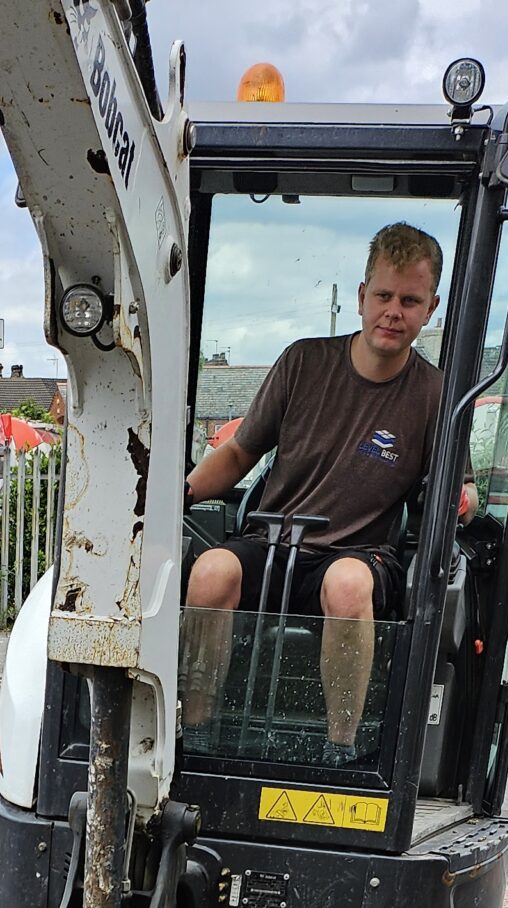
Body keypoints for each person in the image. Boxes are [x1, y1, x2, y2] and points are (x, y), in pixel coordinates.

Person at [182, 221, 446, 755]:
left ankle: (339, 747)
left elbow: (453, 491)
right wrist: (178, 493)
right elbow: (237, 453)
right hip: (271, 544)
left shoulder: (435, 394)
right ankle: (196, 733)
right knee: (210, 571)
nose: (394, 311)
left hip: (356, 553)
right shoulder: (303, 362)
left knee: (349, 587)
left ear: (430, 308)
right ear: (361, 297)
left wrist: (461, 501)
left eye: (410, 300)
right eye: (384, 296)